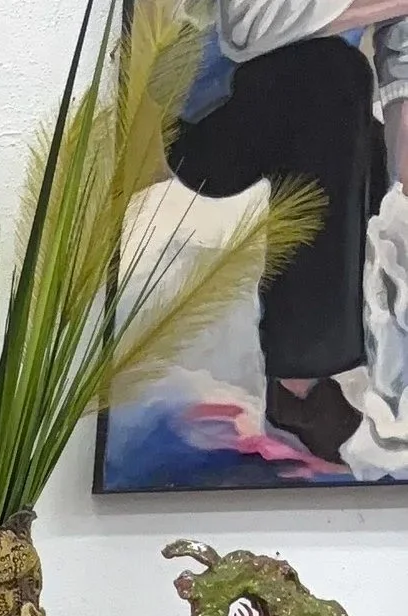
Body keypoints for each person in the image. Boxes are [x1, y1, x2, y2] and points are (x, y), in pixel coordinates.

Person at [175, 0, 408, 465]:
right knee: (333, 73)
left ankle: (373, 362)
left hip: (296, 101)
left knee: (369, 137)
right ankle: (298, 380)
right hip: (206, 115)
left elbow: (401, 56)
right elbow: (247, 26)